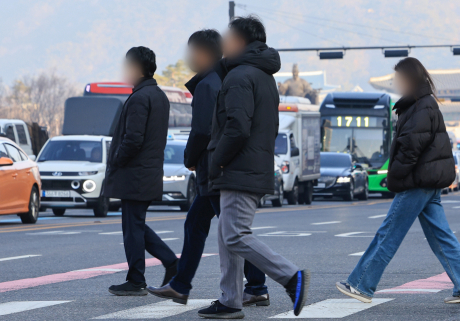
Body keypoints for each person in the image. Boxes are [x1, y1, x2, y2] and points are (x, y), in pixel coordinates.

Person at [336, 57, 460, 304]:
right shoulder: (421, 103)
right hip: (427, 182)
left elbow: (410, 148)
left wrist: (395, 178)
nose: (396, 83)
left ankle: (361, 284)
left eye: (399, 79)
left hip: (417, 182)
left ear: (410, 79)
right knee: (440, 236)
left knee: (388, 233)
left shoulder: (421, 106)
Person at [196, 16, 309, 319]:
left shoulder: (239, 76)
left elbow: (237, 127)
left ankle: (290, 276)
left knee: (234, 234)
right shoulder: (263, 76)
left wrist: (217, 159)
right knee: (226, 233)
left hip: (237, 167)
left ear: (240, 41)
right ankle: (230, 300)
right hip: (251, 164)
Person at [147, 30, 270, 306]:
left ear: (202, 54)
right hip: (218, 168)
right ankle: (181, 284)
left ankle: (258, 285)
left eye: (191, 52)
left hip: (212, 169)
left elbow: (202, 131)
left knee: (233, 232)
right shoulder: (222, 79)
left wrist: (190, 158)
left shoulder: (207, 84)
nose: (189, 58)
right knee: (199, 224)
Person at [103, 46, 178, 296]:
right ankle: (171, 262)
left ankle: (136, 280)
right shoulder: (159, 96)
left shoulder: (139, 97)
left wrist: (116, 160)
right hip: (148, 171)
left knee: (132, 227)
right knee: (136, 225)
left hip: (134, 174)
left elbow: (133, 139)